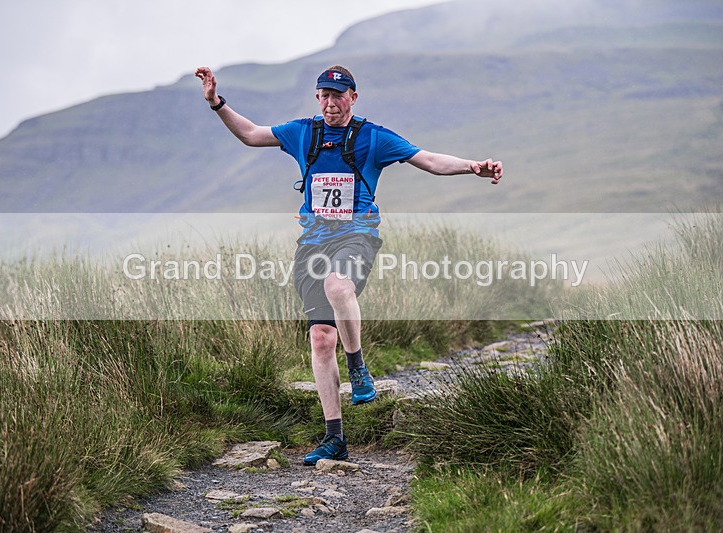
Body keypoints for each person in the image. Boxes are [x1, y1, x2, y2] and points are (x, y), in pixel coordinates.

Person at [195, 65, 503, 465]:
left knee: (338, 287)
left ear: (353, 98)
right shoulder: (302, 131)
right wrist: (216, 103)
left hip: (356, 235)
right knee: (321, 340)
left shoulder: (373, 137)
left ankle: (358, 367)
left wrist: (472, 166)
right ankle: (334, 438)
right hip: (312, 242)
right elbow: (252, 134)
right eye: (323, 94)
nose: (330, 102)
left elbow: (427, 159)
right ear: (316, 98)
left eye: (338, 95)